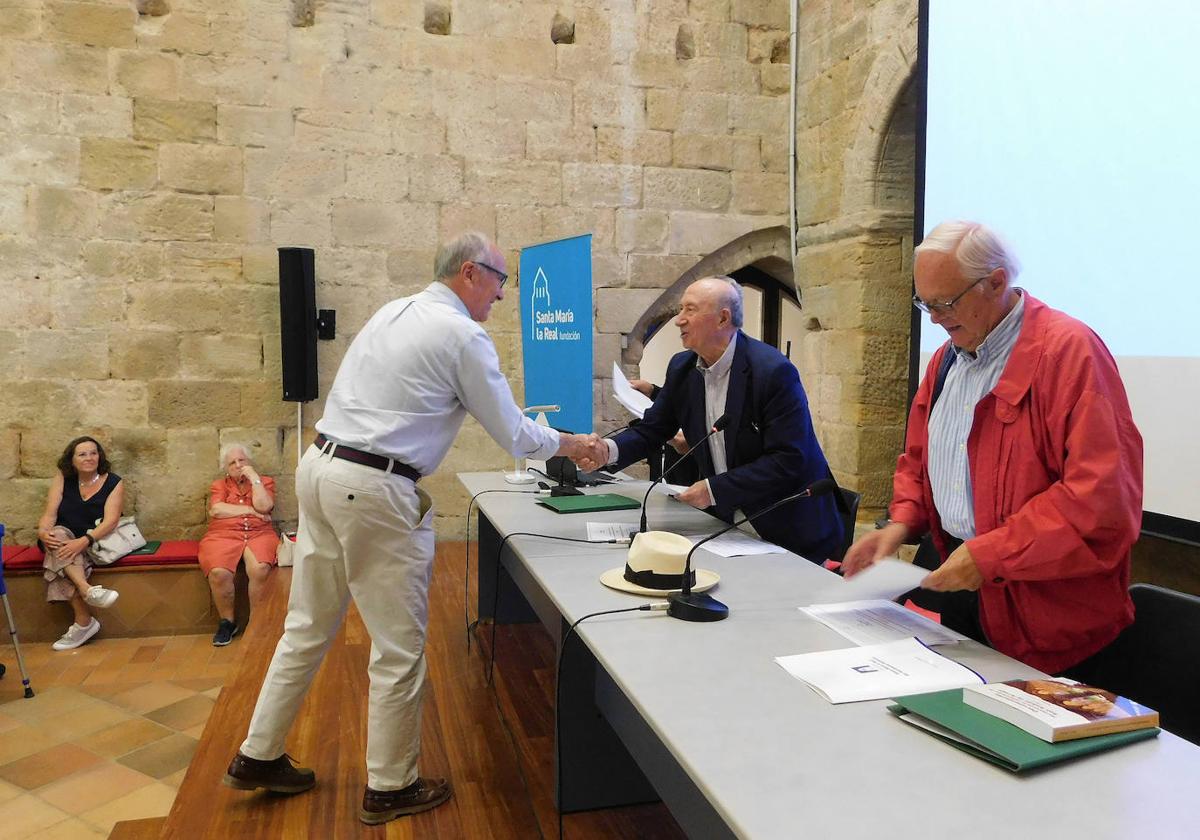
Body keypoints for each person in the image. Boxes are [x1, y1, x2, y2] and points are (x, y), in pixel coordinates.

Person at [223, 231, 595, 826]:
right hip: (372, 487)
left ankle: (258, 753)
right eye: (500, 282)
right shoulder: (461, 334)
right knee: (398, 648)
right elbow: (516, 434)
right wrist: (575, 445)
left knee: (306, 628)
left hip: (320, 469)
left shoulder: (393, 311)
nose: (501, 296)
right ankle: (391, 786)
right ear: (471, 273)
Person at [842, 220, 1143, 678]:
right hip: (966, 589)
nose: (936, 319)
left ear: (997, 282)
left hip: (1047, 615)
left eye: (945, 302)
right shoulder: (947, 360)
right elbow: (921, 460)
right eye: (925, 303)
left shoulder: (1069, 353)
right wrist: (902, 522)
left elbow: (1101, 501)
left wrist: (992, 555)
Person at [580, 276, 843, 562]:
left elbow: (788, 459)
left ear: (722, 319)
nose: (679, 320)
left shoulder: (773, 372)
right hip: (727, 528)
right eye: (680, 310)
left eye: (689, 310)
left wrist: (714, 489)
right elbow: (653, 430)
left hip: (787, 529)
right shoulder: (682, 368)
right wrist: (608, 450)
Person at [35, 436, 124, 651]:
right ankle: (87, 590)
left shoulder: (113, 481)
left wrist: (83, 541)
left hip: (93, 539)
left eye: (93, 453)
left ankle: (84, 622)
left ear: (99, 456)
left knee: (57, 559)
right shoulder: (63, 480)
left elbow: (111, 521)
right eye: (82, 454)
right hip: (62, 538)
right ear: (72, 460)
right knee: (56, 536)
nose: (89, 458)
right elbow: (50, 514)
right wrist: (43, 531)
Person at [198, 443, 279, 647]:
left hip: (259, 533)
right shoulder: (220, 485)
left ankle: (258, 622)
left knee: (260, 569)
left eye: (241, 460)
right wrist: (251, 512)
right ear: (226, 467)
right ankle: (227, 622)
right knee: (218, 572)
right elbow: (217, 510)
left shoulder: (265, 482)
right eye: (232, 462)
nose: (237, 465)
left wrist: (255, 479)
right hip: (223, 535)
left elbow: (265, 506)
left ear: (249, 462)